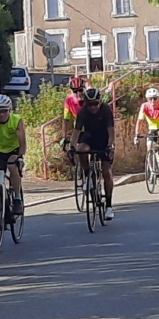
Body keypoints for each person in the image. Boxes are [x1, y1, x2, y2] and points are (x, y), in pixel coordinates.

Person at [70, 88, 116, 220]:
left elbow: (111, 131)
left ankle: (109, 206)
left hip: (104, 140)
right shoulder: (83, 112)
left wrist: (111, 146)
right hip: (89, 138)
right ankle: (87, 175)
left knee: (106, 172)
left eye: (95, 103)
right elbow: (76, 131)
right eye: (89, 104)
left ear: (100, 102)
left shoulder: (106, 110)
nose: (92, 107)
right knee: (81, 149)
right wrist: (72, 147)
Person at [134, 87, 159, 159]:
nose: (152, 101)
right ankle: (150, 165)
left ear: (158, 98)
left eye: (155, 98)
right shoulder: (144, 106)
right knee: (149, 146)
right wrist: (136, 135)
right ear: (147, 99)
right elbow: (139, 121)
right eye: (150, 99)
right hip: (152, 128)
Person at [60, 77, 85, 161]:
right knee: (74, 151)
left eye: (81, 90)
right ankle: (78, 166)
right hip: (78, 129)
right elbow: (66, 119)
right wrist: (64, 136)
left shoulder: (88, 97)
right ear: (71, 91)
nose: (78, 93)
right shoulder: (69, 100)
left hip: (92, 127)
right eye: (75, 91)